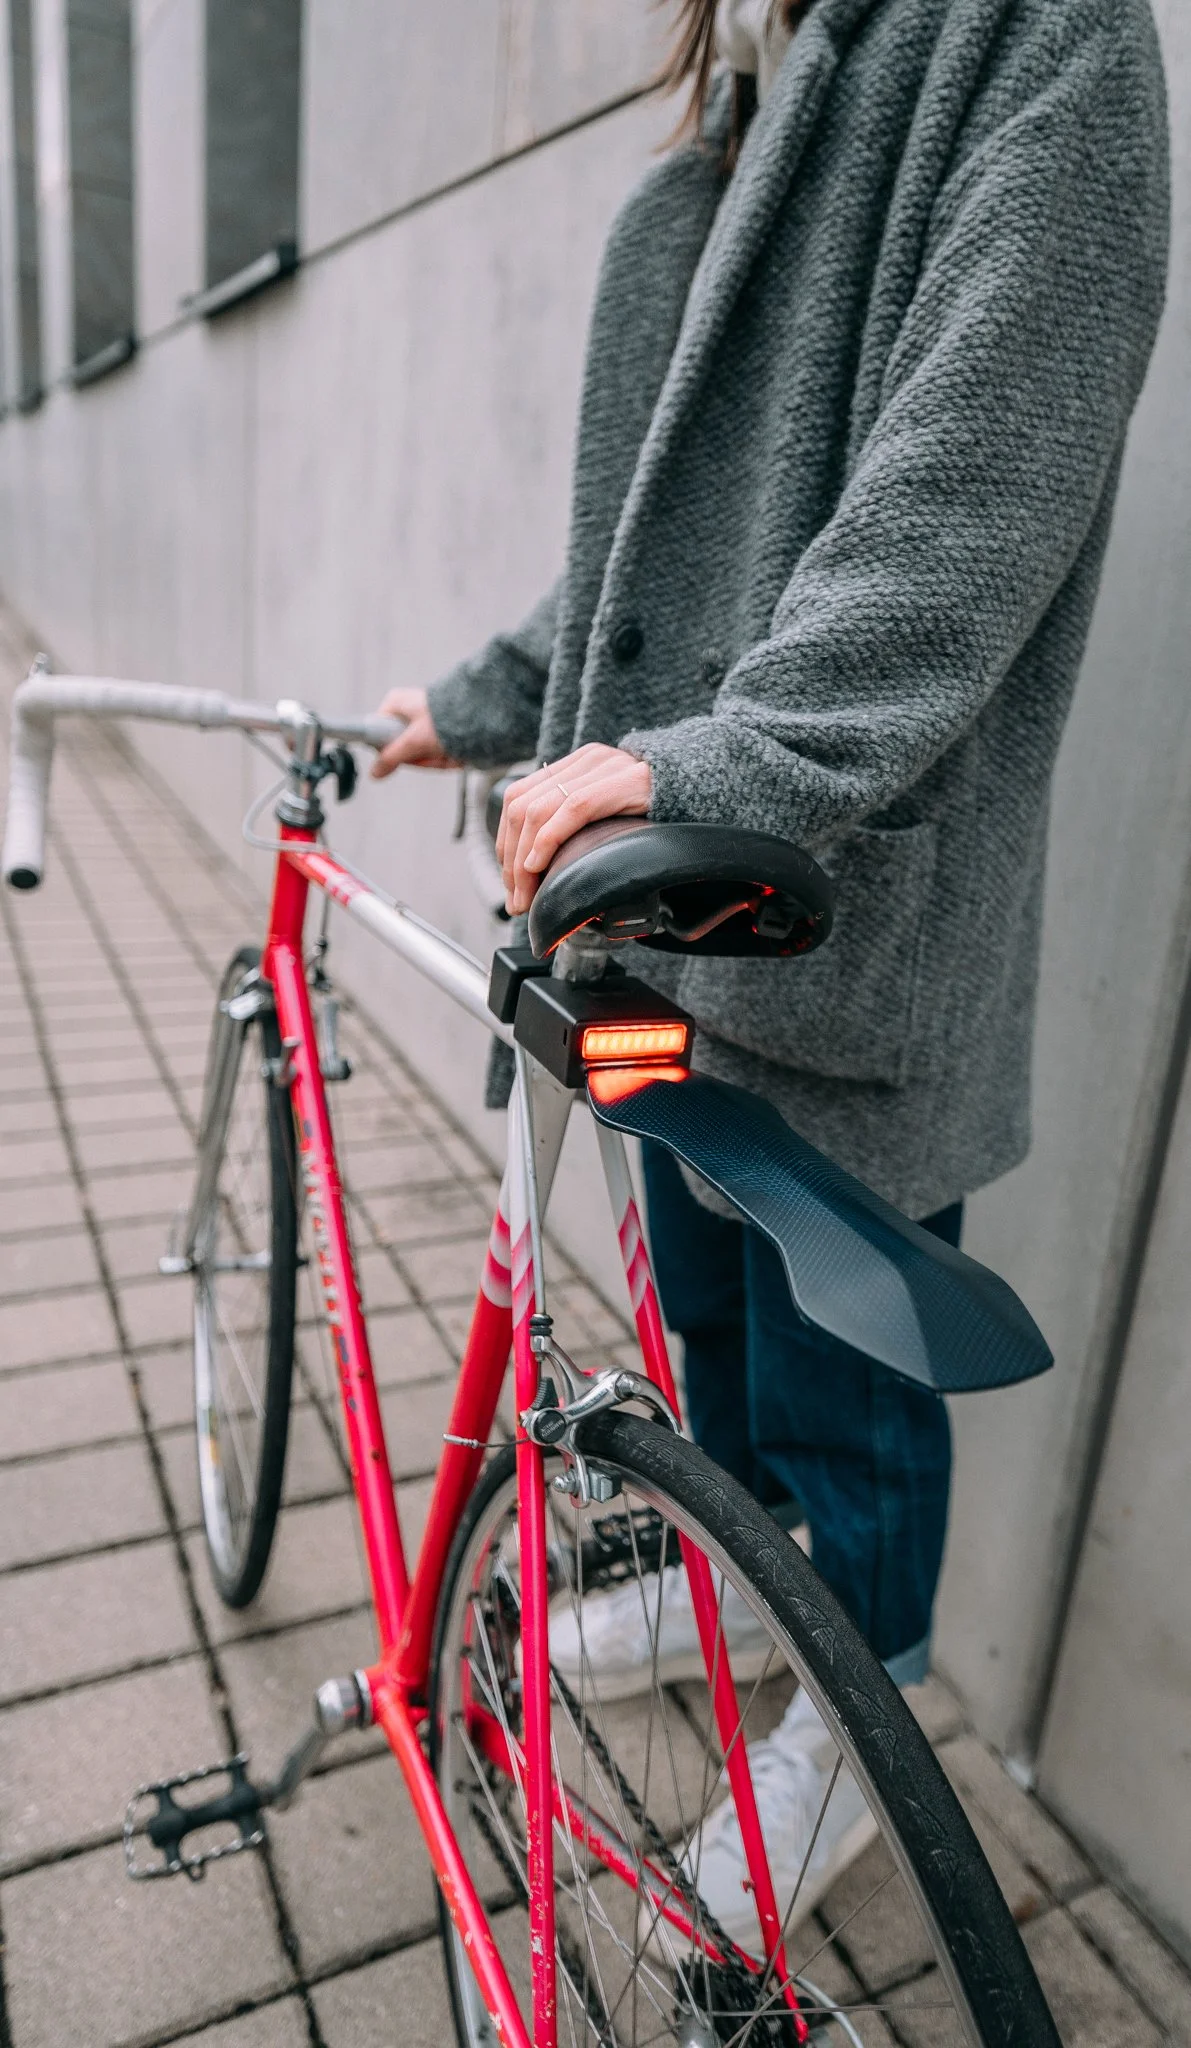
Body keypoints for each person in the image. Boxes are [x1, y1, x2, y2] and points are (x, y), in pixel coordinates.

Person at [373, 0, 1169, 1937]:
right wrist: (481, 705)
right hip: (670, 903)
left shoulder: (1033, 35)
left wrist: (716, 768)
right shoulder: (759, 77)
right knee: (714, 1341)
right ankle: (744, 1582)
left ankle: (857, 1709)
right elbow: (643, 540)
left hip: (826, 893)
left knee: (850, 1393)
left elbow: (975, 489)